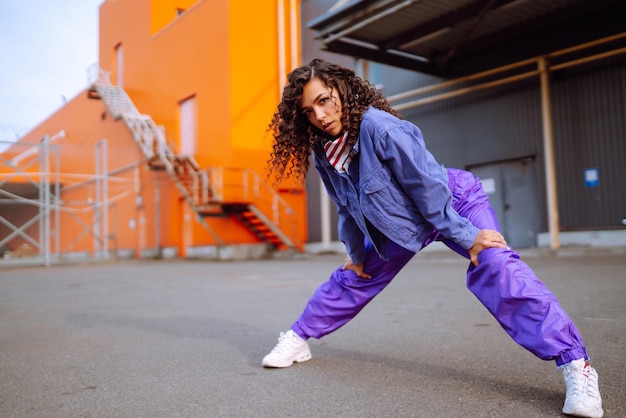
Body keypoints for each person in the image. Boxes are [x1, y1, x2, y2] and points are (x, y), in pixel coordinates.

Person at [263, 58, 603, 418]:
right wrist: (355, 254)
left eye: (325, 99)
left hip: (452, 202)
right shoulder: (324, 152)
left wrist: (468, 236)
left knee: (496, 264)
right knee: (354, 275)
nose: (320, 114)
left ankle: (576, 364)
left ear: (342, 91)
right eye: (308, 110)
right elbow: (346, 207)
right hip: (396, 222)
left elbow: (427, 189)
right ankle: (299, 338)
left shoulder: (382, 129)